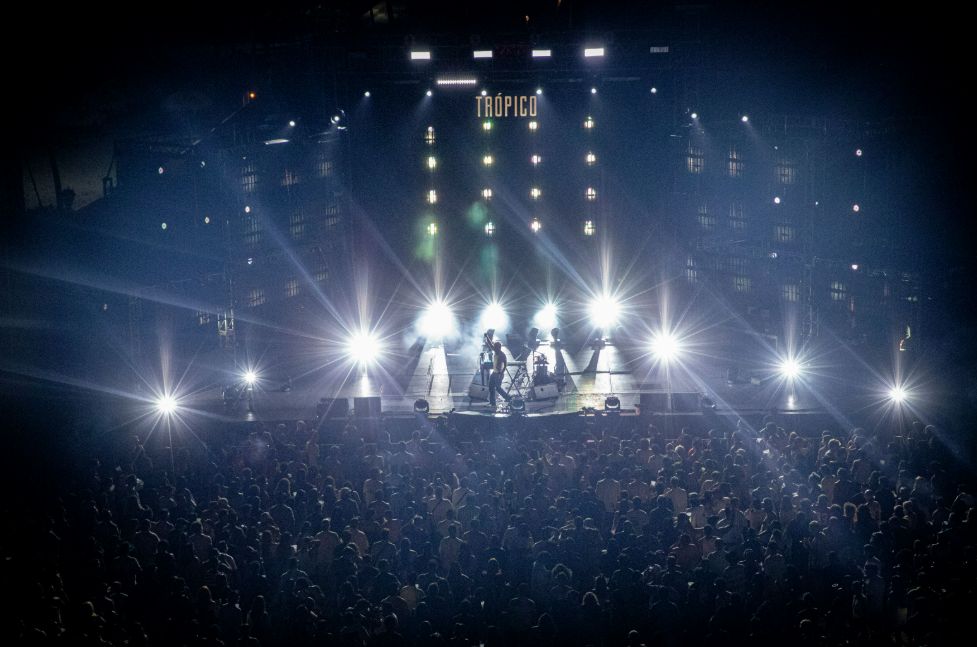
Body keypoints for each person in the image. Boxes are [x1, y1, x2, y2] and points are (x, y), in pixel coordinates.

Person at [489, 341, 511, 407]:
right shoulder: (496, 351)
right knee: (491, 387)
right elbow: (490, 344)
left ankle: (508, 398)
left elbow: (505, 365)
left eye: (495, 347)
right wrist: (487, 336)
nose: (494, 348)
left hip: (498, 373)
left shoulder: (502, 354)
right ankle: (492, 402)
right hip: (494, 373)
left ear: (498, 347)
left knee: (497, 387)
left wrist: (501, 374)